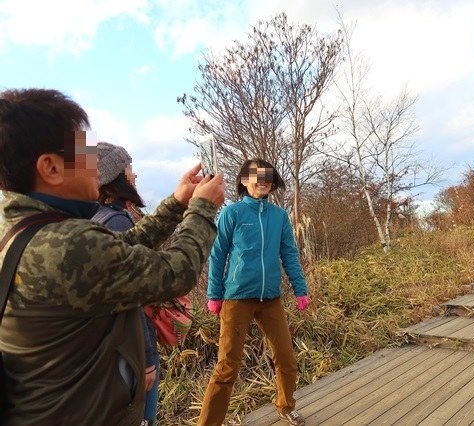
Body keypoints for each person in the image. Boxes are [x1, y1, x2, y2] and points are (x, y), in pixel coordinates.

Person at [0, 88, 225, 426]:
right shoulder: (67, 246)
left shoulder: (26, 229)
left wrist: (177, 203)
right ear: (50, 168)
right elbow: (176, 272)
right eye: (84, 151)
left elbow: (122, 250)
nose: (96, 163)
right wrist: (203, 209)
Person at [198, 159, 309, 426]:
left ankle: (285, 406)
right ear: (244, 180)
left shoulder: (278, 216)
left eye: (268, 177)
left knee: (287, 359)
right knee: (227, 366)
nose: (263, 181)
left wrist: (300, 289)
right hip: (237, 298)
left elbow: (289, 254)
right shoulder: (232, 213)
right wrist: (214, 295)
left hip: (270, 299)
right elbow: (218, 254)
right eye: (257, 176)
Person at [92, 141, 160, 426]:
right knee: (143, 416)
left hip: (109, 350)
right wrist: (145, 359)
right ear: (114, 179)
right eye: (128, 168)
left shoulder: (92, 218)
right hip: (131, 349)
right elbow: (130, 298)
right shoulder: (117, 222)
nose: (134, 175)